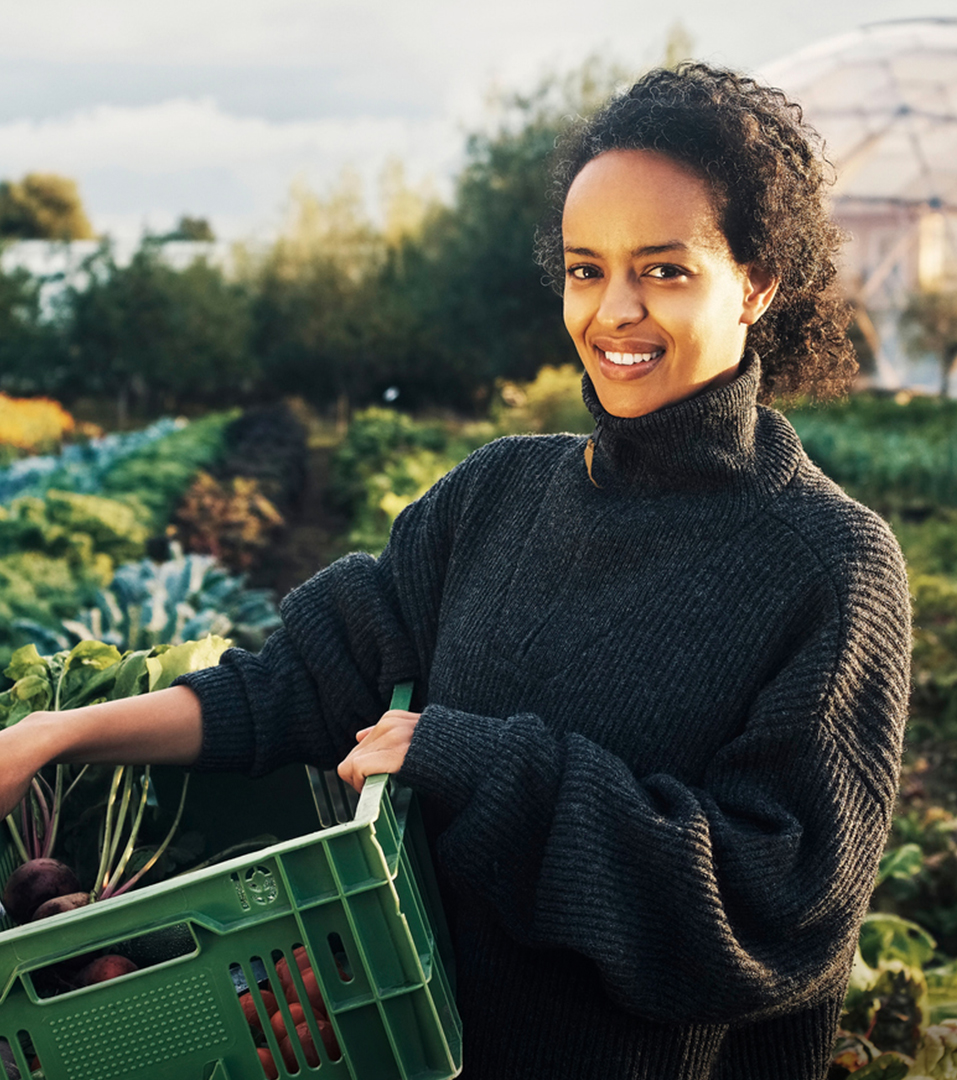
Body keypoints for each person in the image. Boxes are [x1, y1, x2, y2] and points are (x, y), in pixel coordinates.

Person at [0, 63, 910, 1080]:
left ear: (758, 281)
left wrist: (473, 764)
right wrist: (54, 734)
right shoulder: (496, 498)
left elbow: (772, 913)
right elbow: (295, 686)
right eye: (584, 268)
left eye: (664, 269)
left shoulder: (827, 567)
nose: (613, 312)